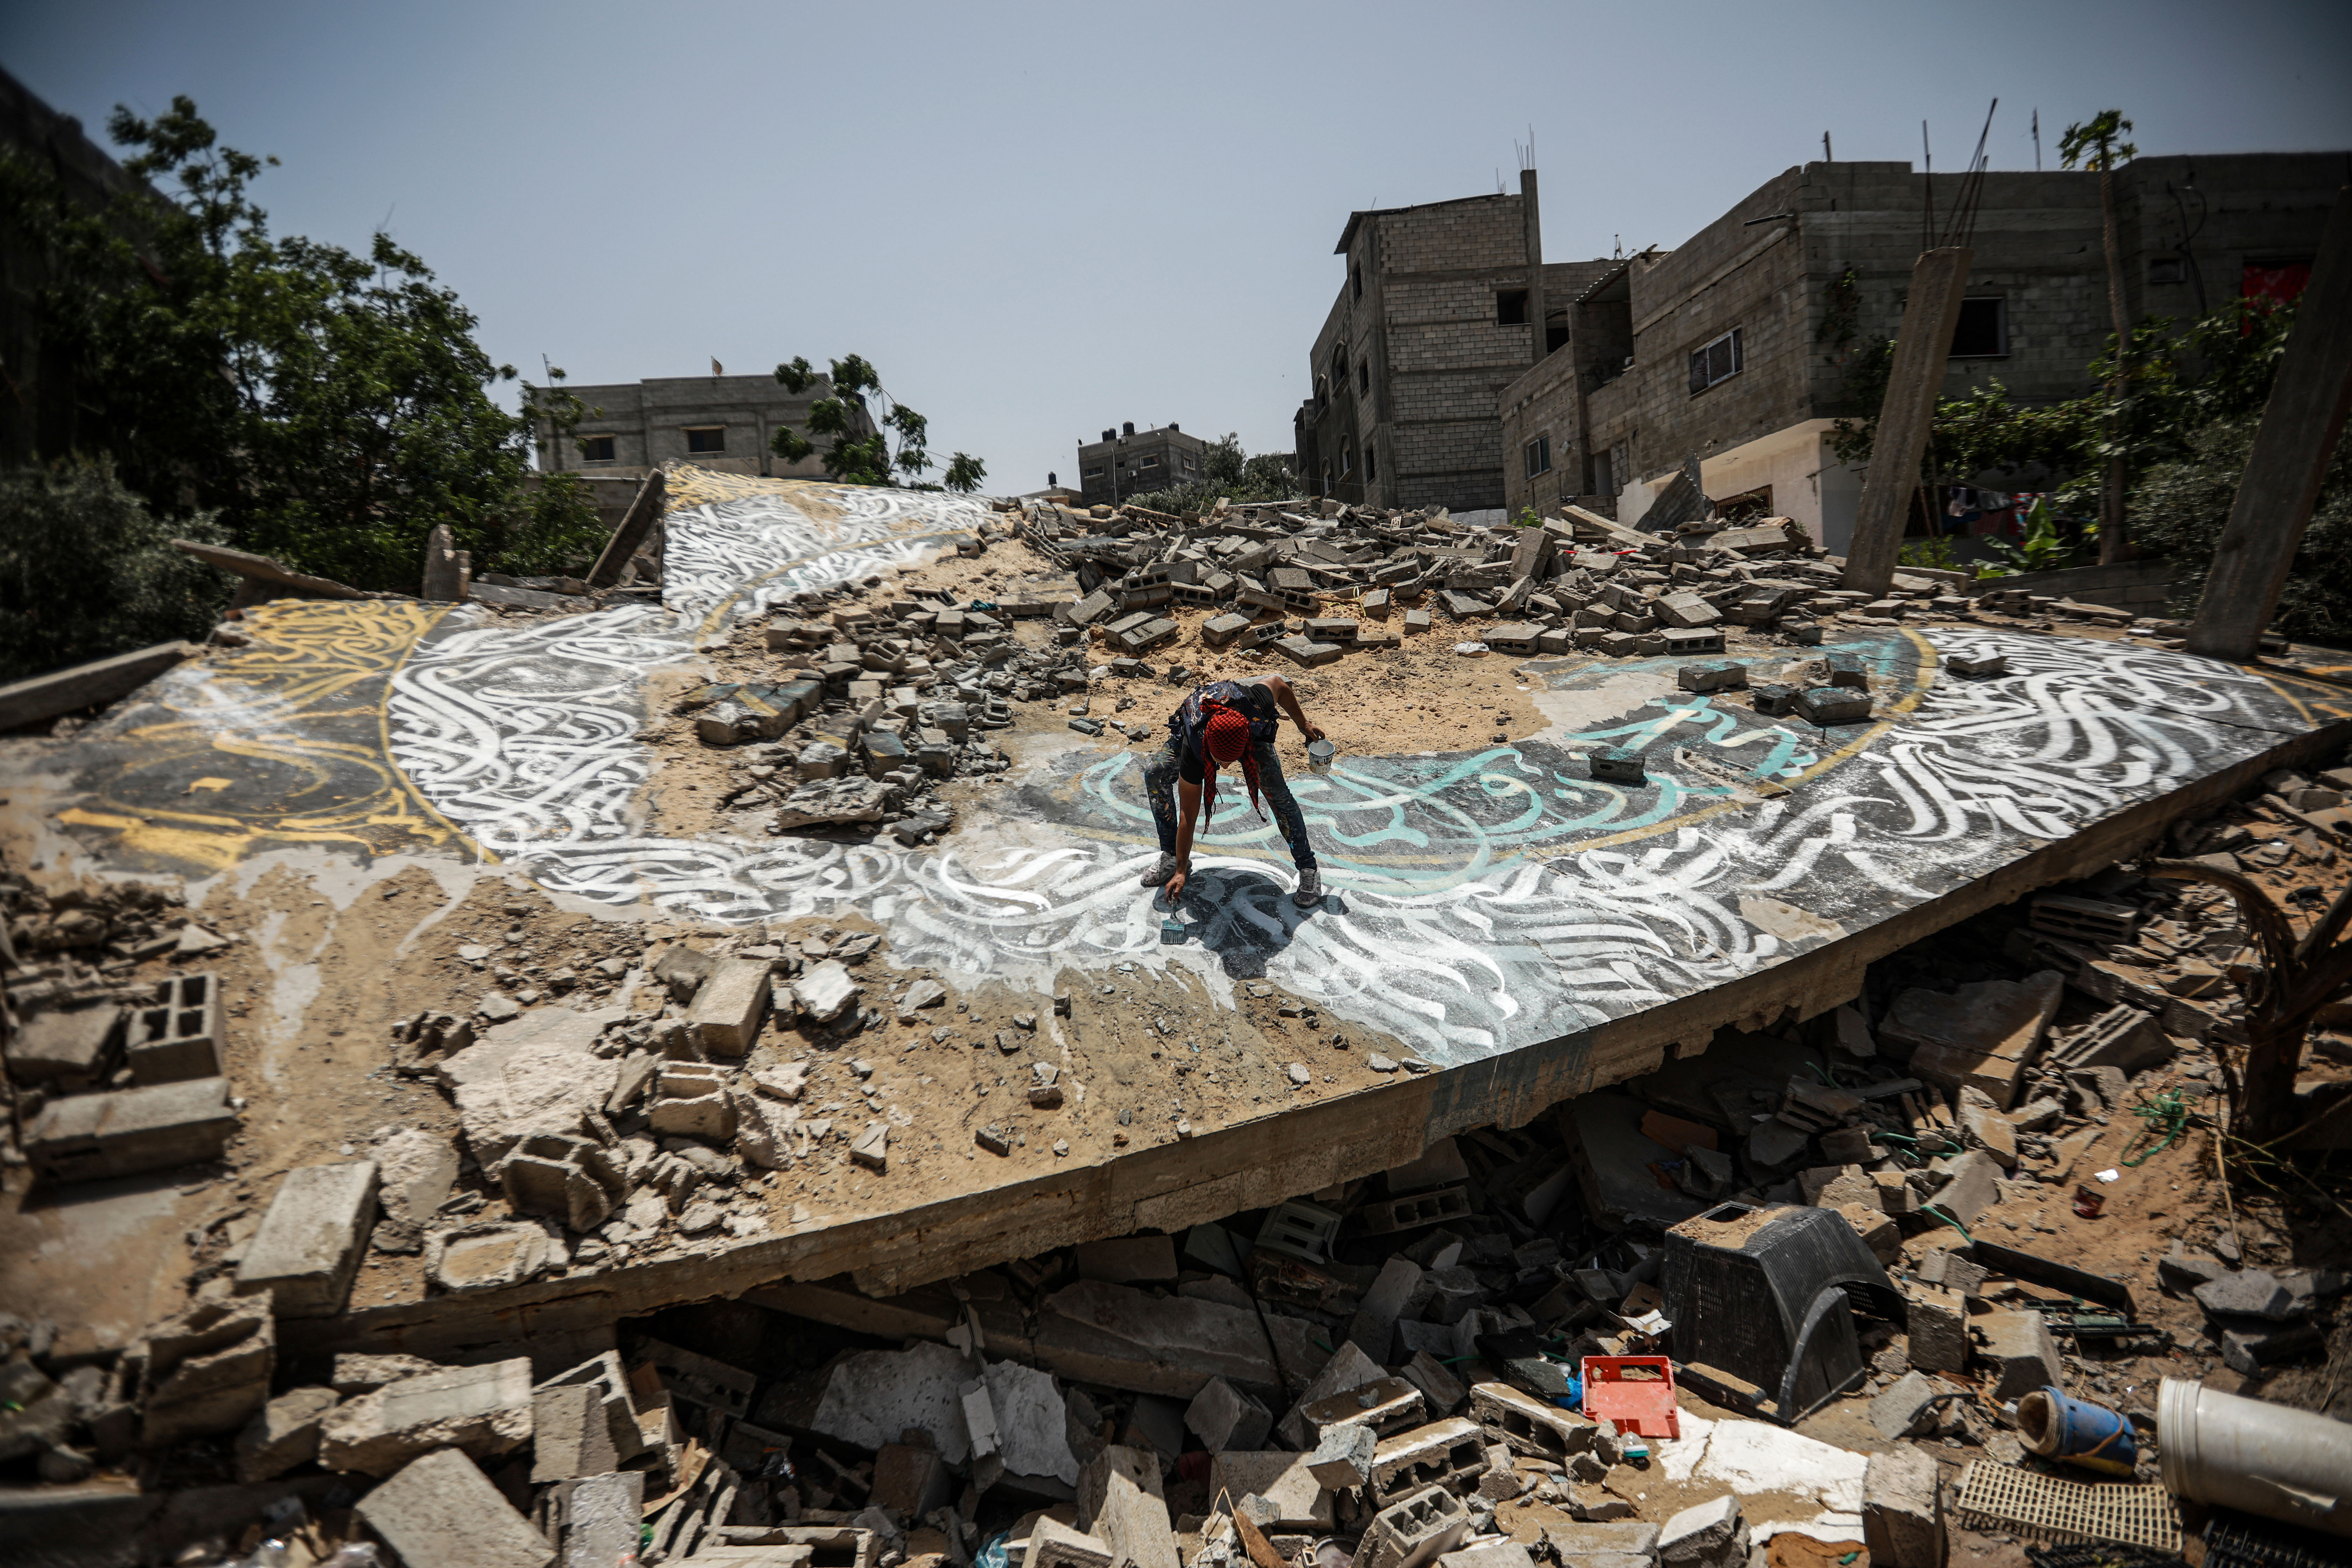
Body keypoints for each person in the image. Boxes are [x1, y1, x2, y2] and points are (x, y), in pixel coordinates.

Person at [1140, 673, 1326, 905]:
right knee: (1155, 772)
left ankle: (1309, 868)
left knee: (1278, 795)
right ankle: (1171, 856)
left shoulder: (1257, 704)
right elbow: (1190, 813)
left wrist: (1303, 724)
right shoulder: (1195, 745)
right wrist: (1180, 870)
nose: (1226, 767)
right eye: (1220, 761)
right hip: (1199, 724)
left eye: (1232, 760)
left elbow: (1279, 684)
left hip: (1246, 727)